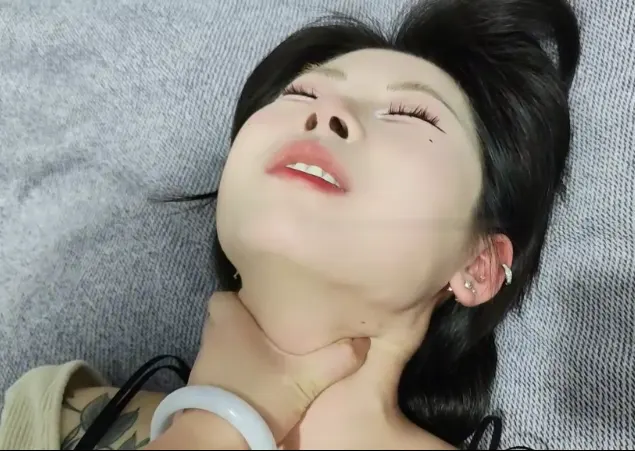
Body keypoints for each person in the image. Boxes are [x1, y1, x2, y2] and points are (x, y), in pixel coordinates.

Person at [0, 0, 580, 448]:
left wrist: (223, 418)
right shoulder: (52, 415)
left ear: (478, 266)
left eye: (410, 114)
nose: (326, 113)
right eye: (300, 92)